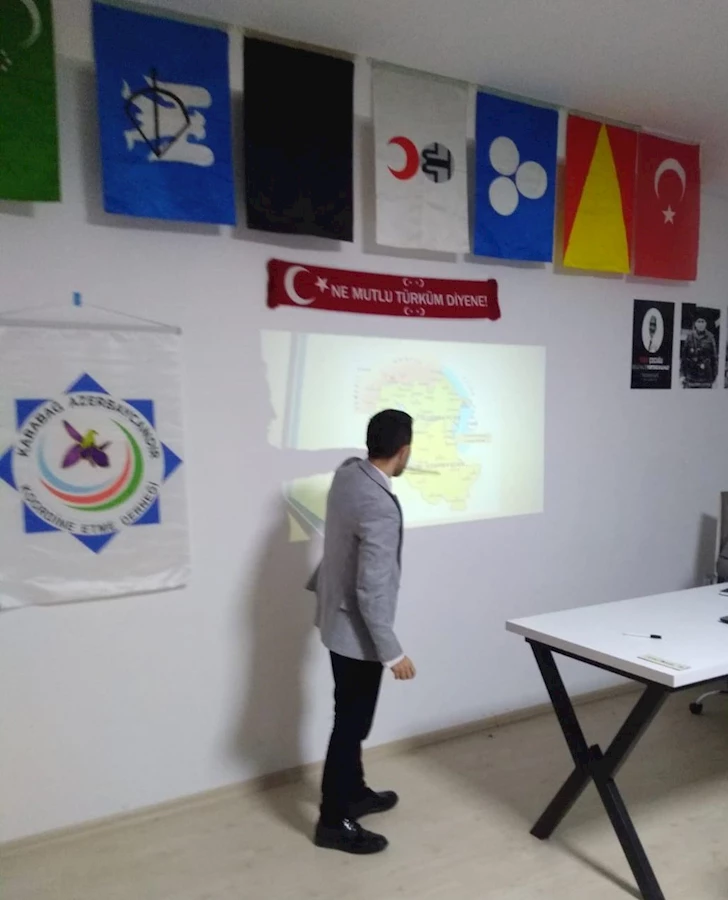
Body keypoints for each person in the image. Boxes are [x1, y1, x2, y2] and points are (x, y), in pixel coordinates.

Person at [306, 409, 416, 855]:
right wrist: (393, 653)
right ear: (403, 450)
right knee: (350, 725)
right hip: (358, 632)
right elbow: (371, 588)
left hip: (337, 620)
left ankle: (353, 792)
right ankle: (333, 821)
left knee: (349, 718)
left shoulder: (348, 473)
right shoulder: (379, 505)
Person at [681, 312, 718, 388]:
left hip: (706, 377)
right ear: (695, 324)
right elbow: (684, 356)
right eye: (699, 321)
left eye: (702, 322)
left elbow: (714, 358)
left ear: (706, 324)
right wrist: (682, 374)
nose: (701, 324)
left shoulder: (710, 337)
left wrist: (714, 375)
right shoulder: (690, 336)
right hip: (691, 376)